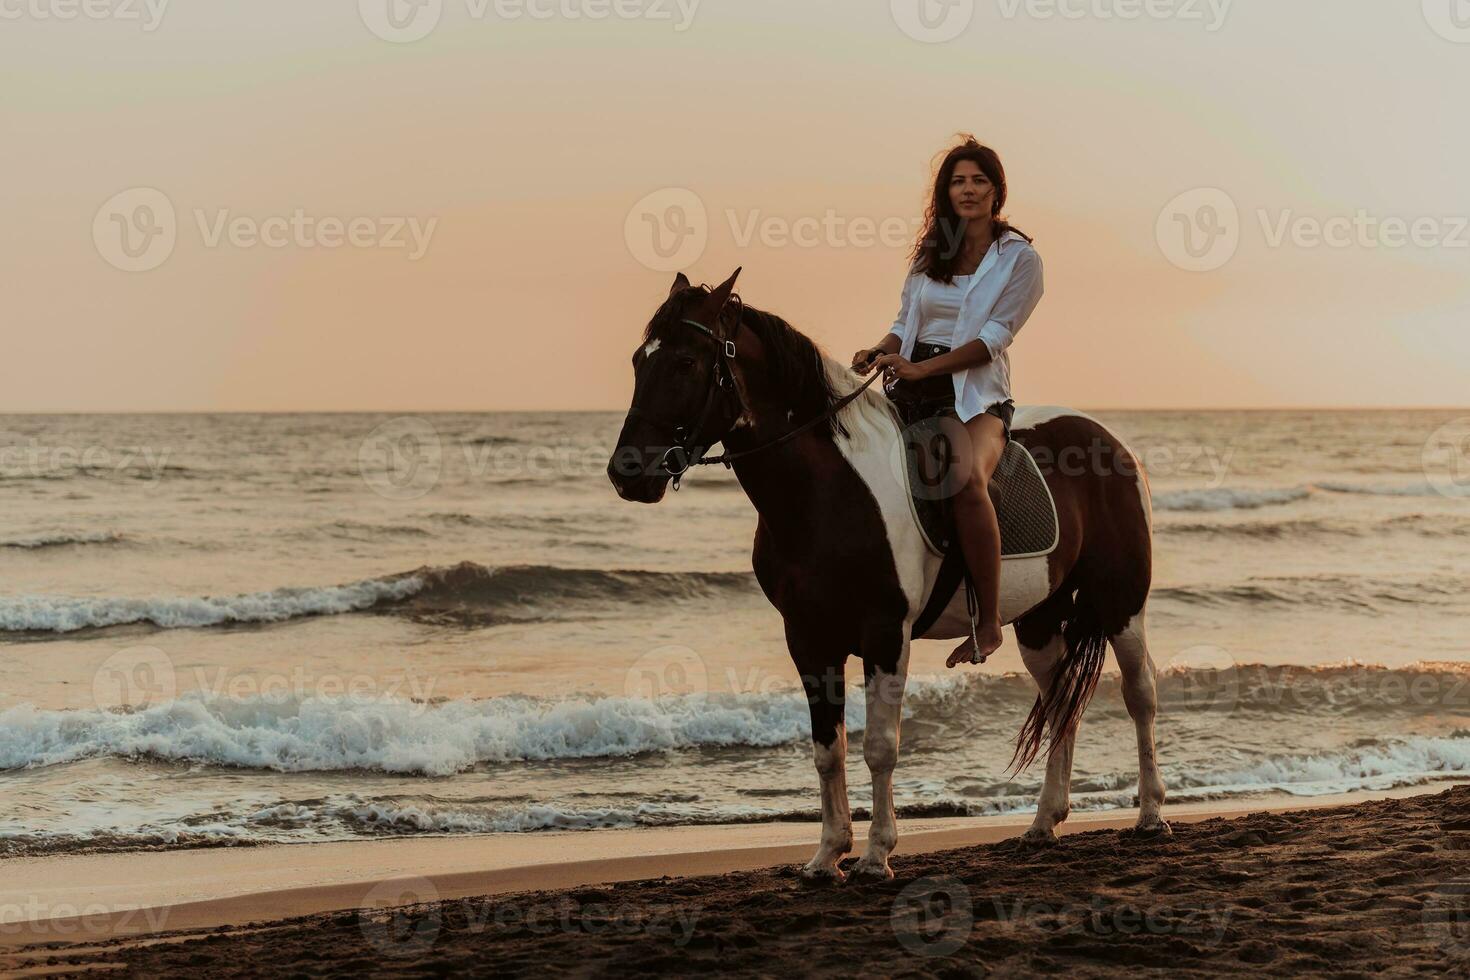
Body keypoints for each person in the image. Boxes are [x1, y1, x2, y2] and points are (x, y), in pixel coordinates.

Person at [851, 135, 1045, 668]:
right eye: (958, 180)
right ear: (945, 191)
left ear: (996, 190)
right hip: (909, 389)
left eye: (979, 180)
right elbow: (903, 323)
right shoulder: (929, 254)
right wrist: (882, 350)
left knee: (964, 478)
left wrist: (923, 367)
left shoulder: (1020, 259)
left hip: (975, 397)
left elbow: (993, 339)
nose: (968, 189)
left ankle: (986, 624)